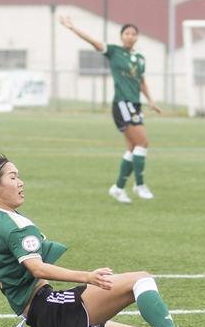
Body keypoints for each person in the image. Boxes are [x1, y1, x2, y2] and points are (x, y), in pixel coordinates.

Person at [0, 155, 205, 327]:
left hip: (44, 326)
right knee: (141, 279)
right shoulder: (17, 227)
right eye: (13, 177)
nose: (21, 182)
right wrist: (87, 277)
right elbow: (36, 267)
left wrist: (2, 261)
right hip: (53, 311)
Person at [59, 16, 161, 203]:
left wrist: (151, 101)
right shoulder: (114, 51)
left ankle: (118, 188)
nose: (130, 36)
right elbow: (93, 41)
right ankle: (139, 185)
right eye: (127, 33)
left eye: (134, 33)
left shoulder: (139, 58)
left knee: (132, 148)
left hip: (135, 104)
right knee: (143, 143)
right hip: (122, 103)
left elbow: (141, 80)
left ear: (137, 37)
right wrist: (73, 27)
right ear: (122, 36)